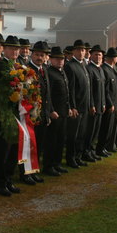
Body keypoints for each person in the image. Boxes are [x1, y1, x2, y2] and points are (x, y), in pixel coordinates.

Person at [0, 35, 24, 195]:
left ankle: (9, 179)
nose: (15, 51)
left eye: (17, 49)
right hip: (4, 113)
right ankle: (0, 182)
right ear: (4, 49)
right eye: (11, 48)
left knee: (13, 150)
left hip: (17, 112)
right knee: (2, 151)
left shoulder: (18, 66)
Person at [24, 41, 54, 182]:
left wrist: (47, 114)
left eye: (42, 55)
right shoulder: (27, 70)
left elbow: (47, 94)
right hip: (30, 116)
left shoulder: (45, 70)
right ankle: (25, 173)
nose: (39, 57)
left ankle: (34, 170)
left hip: (42, 115)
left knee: (39, 145)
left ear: (46, 56)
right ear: (32, 54)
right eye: (36, 54)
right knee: (29, 146)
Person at [45, 46, 73, 175]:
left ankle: (56, 163)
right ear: (51, 59)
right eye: (57, 59)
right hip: (54, 113)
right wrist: (51, 110)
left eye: (61, 58)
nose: (60, 61)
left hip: (63, 112)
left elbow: (67, 92)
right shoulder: (49, 72)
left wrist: (69, 108)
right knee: (51, 141)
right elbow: (48, 94)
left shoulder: (62, 72)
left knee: (61, 139)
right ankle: (49, 165)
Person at [64, 39, 91, 168]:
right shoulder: (70, 66)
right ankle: (71, 158)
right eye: (78, 50)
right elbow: (71, 89)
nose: (81, 52)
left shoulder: (83, 66)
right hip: (77, 107)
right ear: (73, 51)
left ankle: (78, 156)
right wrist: (72, 106)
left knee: (81, 134)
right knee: (73, 135)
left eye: (83, 50)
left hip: (85, 106)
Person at [83, 45, 106, 162]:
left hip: (100, 106)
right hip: (92, 107)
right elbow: (90, 89)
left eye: (100, 55)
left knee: (96, 130)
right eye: (96, 54)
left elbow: (103, 89)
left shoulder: (100, 69)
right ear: (91, 55)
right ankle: (86, 152)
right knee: (90, 131)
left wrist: (103, 103)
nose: (98, 57)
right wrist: (91, 105)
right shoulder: (89, 69)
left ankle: (92, 151)